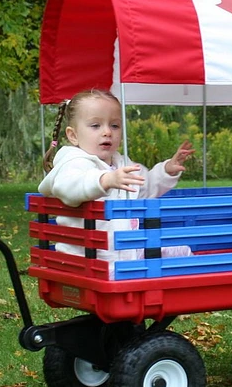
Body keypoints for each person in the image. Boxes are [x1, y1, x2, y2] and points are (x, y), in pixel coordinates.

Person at [38, 89, 195, 277]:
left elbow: (143, 187)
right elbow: (70, 186)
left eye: (114, 125)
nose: (107, 132)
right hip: (88, 259)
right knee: (127, 272)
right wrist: (104, 180)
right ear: (74, 136)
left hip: (124, 252)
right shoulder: (73, 162)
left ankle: (186, 286)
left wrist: (166, 170)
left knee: (180, 251)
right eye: (95, 125)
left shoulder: (121, 162)